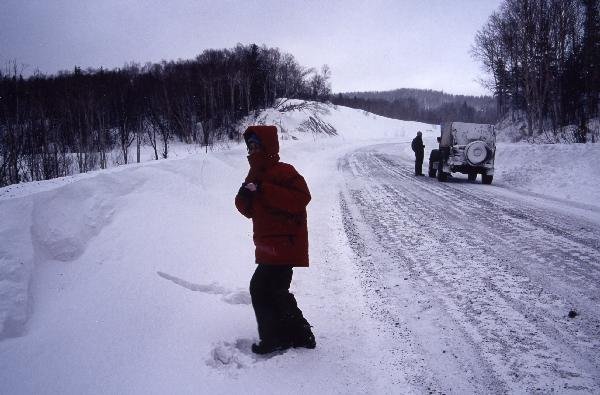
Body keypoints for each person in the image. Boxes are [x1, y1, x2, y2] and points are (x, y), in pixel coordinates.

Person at [235, 125, 316, 354]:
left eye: (256, 146)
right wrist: (244, 196)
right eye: (249, 146)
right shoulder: (254, 175)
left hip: (284, 243)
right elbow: (248, 210)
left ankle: (285, 336)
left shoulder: (284, 171)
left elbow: (301, 198)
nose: (252, 150)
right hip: (266, 244)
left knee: (263, 288)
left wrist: (263, 189)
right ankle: (291, 335)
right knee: (271, 290)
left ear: (267, 146)